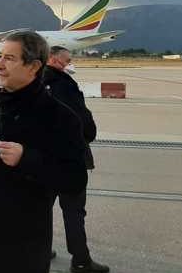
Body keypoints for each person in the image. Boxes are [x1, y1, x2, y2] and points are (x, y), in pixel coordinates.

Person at [0, 31, 87, 273]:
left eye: (9, 58)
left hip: (23, 231)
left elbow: (74, 178)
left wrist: (27, 158)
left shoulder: (59, 116)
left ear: (33, 66)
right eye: (0, 57)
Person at [44, 46, 109, 273]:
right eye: (67, 60)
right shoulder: (63, 84)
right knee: (73, 210)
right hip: (70, 156)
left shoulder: (36, 82)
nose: (69, 64)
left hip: (44, 157)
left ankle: (40, 248)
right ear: (53, 58)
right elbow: (78, 118)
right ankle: (80, 259)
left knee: (42, 207)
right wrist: (88, 135)